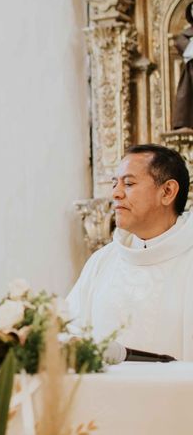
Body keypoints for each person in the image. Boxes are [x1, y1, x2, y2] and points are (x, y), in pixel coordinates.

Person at [67, 144, 193, 360]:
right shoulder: (102, 261)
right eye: (114, 183)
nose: (115, 193)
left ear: (167, 191)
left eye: (129, 183)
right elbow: (71, 332)